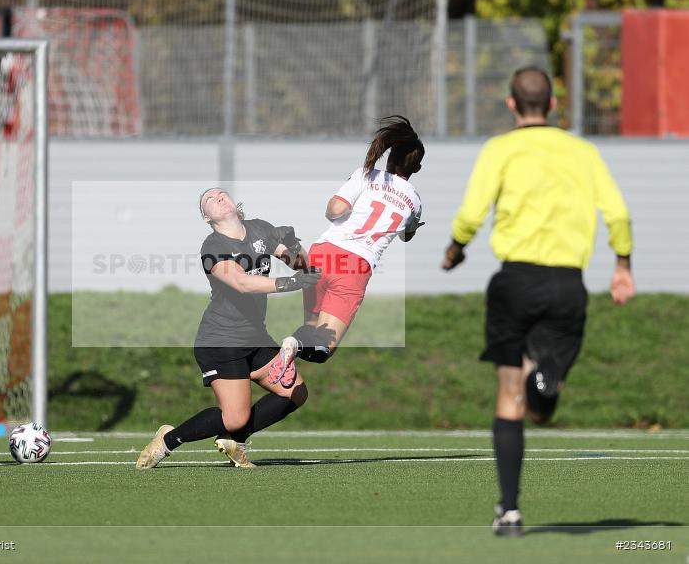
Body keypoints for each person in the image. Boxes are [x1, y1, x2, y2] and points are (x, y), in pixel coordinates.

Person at [441, 66, 636, 536]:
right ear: (552, 105)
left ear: (511, 105)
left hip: (515, 281)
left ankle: (509, 512)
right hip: (567, 284)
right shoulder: (583, 151)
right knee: (542, 403)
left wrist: (456, 248)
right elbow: (618, 212)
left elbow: (471, 212)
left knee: (510, 396)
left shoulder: (500, 149)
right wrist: (623, 264)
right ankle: (546, 379)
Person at [135, 188, 320, 469]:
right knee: (235, 417)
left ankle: (236, 439)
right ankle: (168, 440)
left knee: (296, 392)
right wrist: (290, 283)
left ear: (235, 203)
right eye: (210, 199)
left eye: (222, 193)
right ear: (206, 217)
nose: (219, 197)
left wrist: (296, 249)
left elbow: (298, 264)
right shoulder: (212, 246)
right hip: (221, 341)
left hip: (256, 338)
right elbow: (242, 283)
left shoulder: (261, 229)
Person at [272, 115, 424, 377]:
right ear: (416, 169)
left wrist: (338, 201)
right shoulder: (415, 201)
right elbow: (407, 235)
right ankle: (293, 347)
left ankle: (283, 361)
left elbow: (334, 212)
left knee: (311, 327)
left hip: (322, 254)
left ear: (389, 157)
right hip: (353, 266)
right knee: (321, 348)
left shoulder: (365, 174)